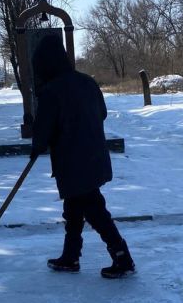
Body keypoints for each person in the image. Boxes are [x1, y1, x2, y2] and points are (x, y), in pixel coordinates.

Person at [30, 33, 135, 279]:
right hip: (94, 156)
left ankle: (122, 257)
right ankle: (70, 257)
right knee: (75, 209)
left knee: (95, 211)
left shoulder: (51, 91)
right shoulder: (88, 82)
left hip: (72, 162)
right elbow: (102, 113)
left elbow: (43, 130)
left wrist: (38, 146)